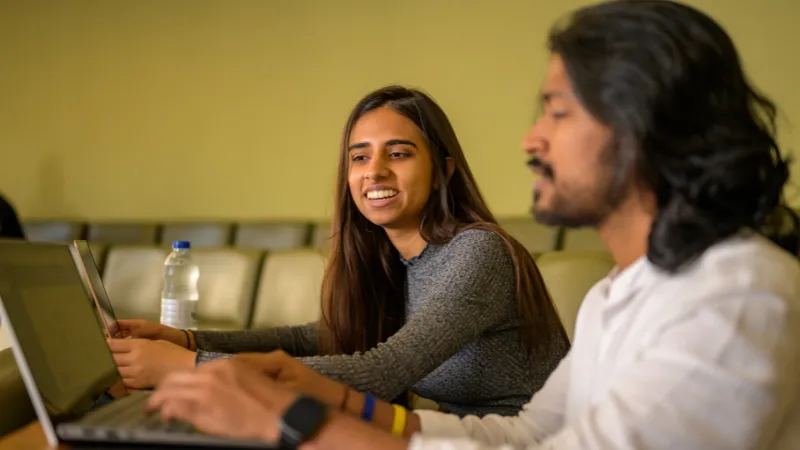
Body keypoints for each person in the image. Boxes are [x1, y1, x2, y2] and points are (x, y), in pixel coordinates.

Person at [145, 1, 800, 449]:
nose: (532, 139)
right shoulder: (613, 296)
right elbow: (527, 434)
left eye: (559, 113)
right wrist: (331, 403)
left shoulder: (737, 295)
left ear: (645, 128)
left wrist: (291, 420)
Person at [109, 85, 570, 417]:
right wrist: (188, 341)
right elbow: (315, 337)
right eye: (360, 157)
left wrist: (188, 368)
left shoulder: (478, 252)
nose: (375, 172)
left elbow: (381, 372)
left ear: (443, 171)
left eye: (399, 153)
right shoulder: (395, 261)